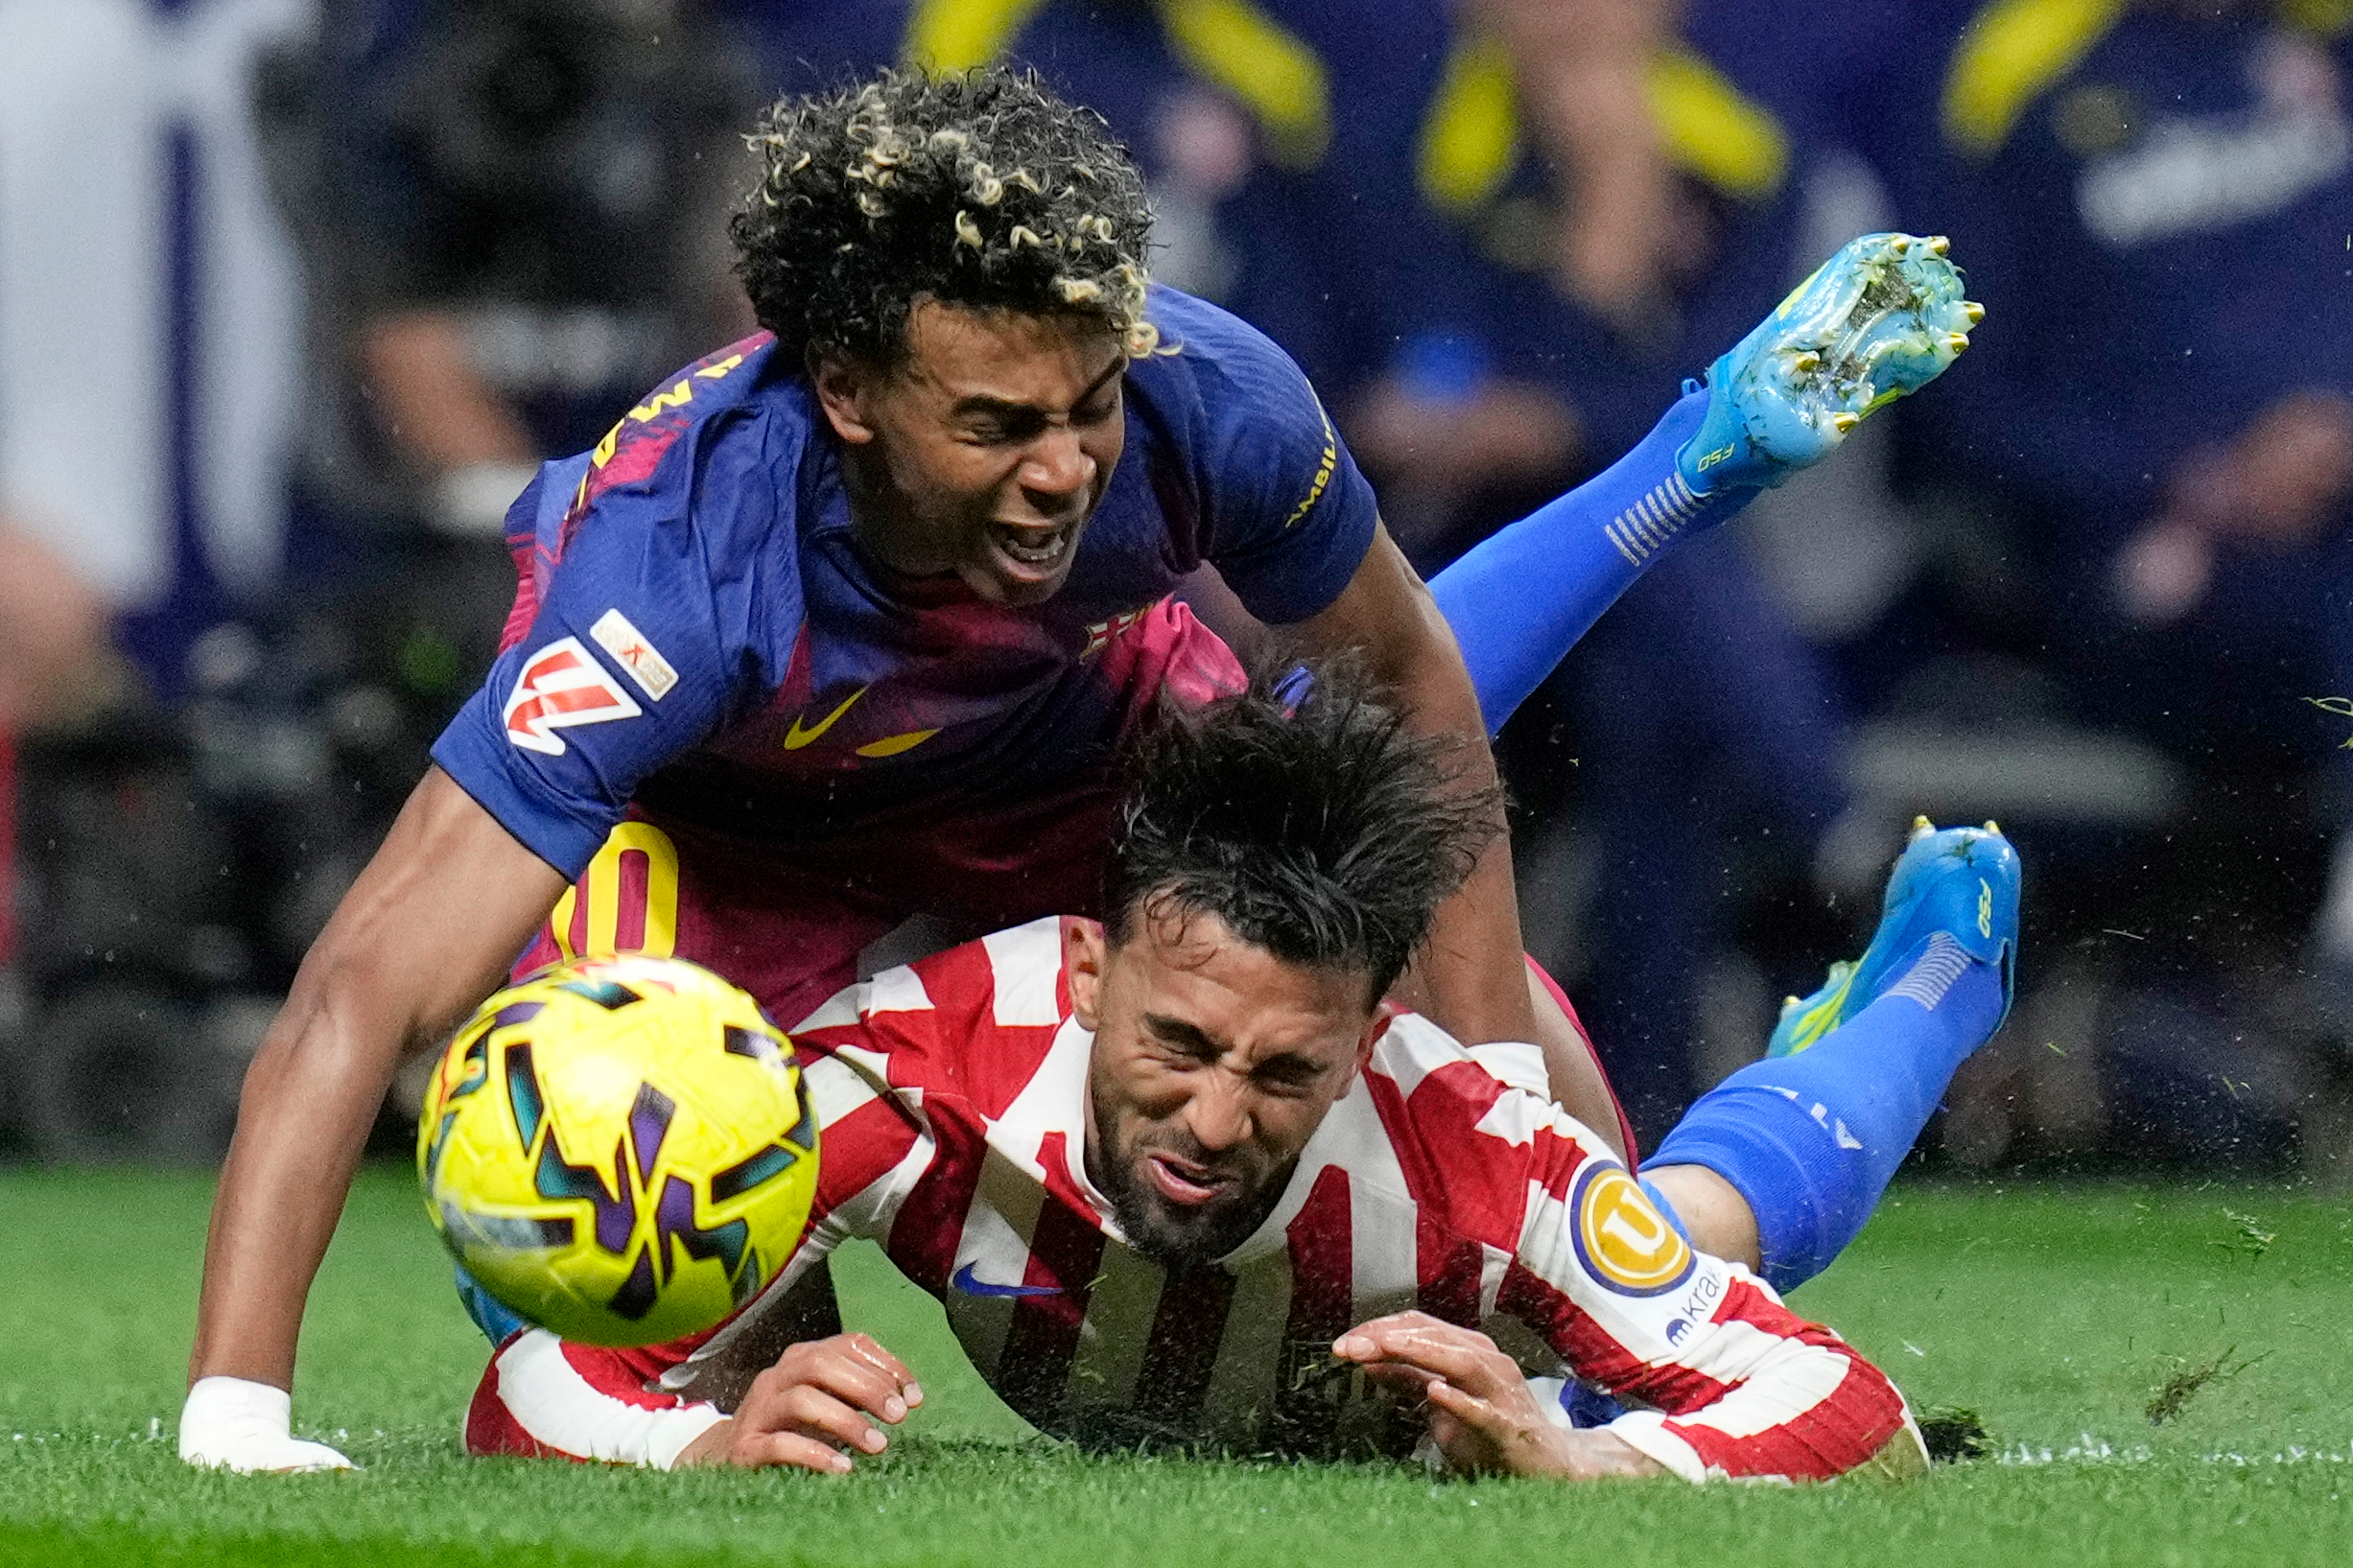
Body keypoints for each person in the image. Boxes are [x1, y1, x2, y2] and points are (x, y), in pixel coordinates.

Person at [180, 64, 1980, 1472]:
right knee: (639, 1277)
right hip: (729, 846)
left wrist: (1486, 1098)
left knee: (1546, 1153)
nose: (1060, 470)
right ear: (847, 395)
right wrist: (240, 1418)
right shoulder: (666, 580)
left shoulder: (1206, 396)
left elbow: (1403, 695)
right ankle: (1699, 481)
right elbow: (365, 992)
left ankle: (1721, 543)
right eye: (995, 425)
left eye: (1084, 410)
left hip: (1065, 762)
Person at [457, 668, 2014, 1483]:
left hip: (1487, 1196)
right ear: (1086, 973)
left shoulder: (1470, 1148)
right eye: (1177, 1045)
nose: (1212, 1122)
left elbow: (1850, 1413)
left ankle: (1940, 986)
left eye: (1282, 1070)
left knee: (1688, 1229)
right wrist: (699, 1438)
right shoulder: (910, 1074)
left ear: (1364, 1035)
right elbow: (534, 1376)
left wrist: (1583, 1459)